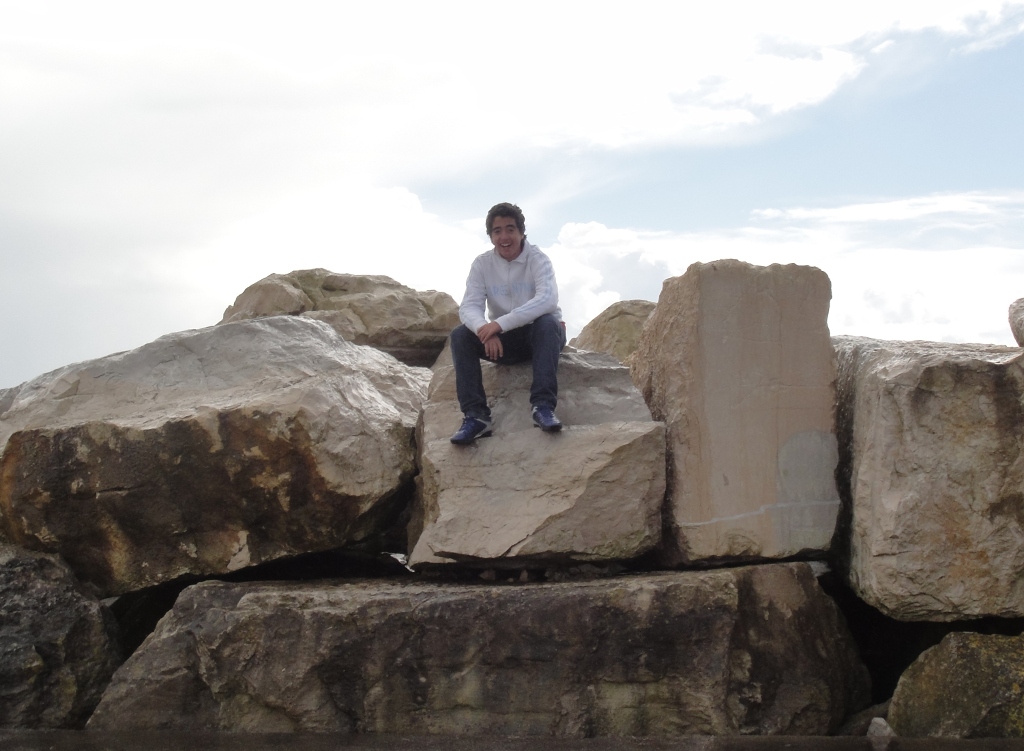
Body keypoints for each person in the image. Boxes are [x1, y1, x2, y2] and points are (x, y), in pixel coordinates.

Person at [449, 202, 566, 445]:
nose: (504, 237)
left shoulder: (538, 259)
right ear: (491, 236)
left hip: (540, 336)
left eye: (510, 229)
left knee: (547, 323)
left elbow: (547, 299)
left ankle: (543, 407)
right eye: (497, 231)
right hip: (503, 342)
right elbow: (469, 306)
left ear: (521, 232)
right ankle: (476, 416)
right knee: (460, 335)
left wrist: (499, 324)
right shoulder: (482, 264)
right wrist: (484, 330)